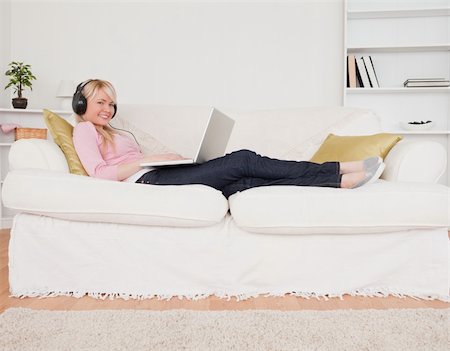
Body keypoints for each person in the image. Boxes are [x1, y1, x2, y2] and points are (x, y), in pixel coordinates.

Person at [72, 79, 385, 198]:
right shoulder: (83, 130)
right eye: (100, 102)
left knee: (242, 183)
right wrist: (145, 161)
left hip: (157, 174)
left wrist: (172, 158)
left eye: (111, 103)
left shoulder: (112, 132)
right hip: (146, 182)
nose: (108, 109)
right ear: (82, 105)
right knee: (245, 159)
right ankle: (338, 169)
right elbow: (100, 174)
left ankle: (338, 184)